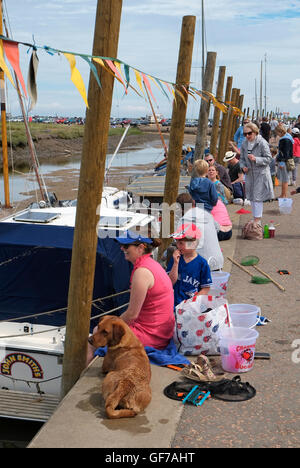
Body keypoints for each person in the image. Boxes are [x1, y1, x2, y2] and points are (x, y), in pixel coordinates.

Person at [87, 232, 175, 363]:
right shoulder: (152, 264)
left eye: (126, 246)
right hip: (162, 331)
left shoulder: (141, 272)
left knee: (94, 336)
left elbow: (132, 314)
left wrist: (110, 324)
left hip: (153, 336)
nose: (122, 248)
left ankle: (84, 377)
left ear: (140, 248)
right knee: (101, 331)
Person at [175, 192, 224, 271]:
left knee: (175, 253)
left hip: (202, 264)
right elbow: (218, 228)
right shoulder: (205, 213)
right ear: (193, 202)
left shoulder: (183, 220)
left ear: (181, 208)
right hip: (218, 261)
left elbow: (179, 242)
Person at [167, 223, 212, 307]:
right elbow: (170, 282)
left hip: (191, 307)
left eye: (181, 243)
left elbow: (206, 288)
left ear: (193, 244)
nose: (177, 246)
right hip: (173, 304)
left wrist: (193, 302)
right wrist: (175, 264)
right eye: (177, 242)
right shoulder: (176, 259)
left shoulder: (202, 263)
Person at [239, 122, 274, 224]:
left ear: (255, 132)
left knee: (258, 197)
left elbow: (269, 158)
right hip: (249, 173)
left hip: (261, 173)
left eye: (249, 133)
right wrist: (243, 166)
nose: (247, 136)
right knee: (251, 197)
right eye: (245, 134)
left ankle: (257, 220)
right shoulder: (244, 143)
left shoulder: (262, 143)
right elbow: (241, 159)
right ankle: (255, 218)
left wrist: (256, 159)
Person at [276, 124, 294, 197]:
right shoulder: (288, 137)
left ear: (280, 131)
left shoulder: (284, 139)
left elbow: (285, 153)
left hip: (284, 161)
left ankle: (283, 195)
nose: (277, 134)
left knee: (284, 179)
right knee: (285, 179)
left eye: (277, 132)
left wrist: (282, 162)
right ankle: (283, 194)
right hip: (286, 160)